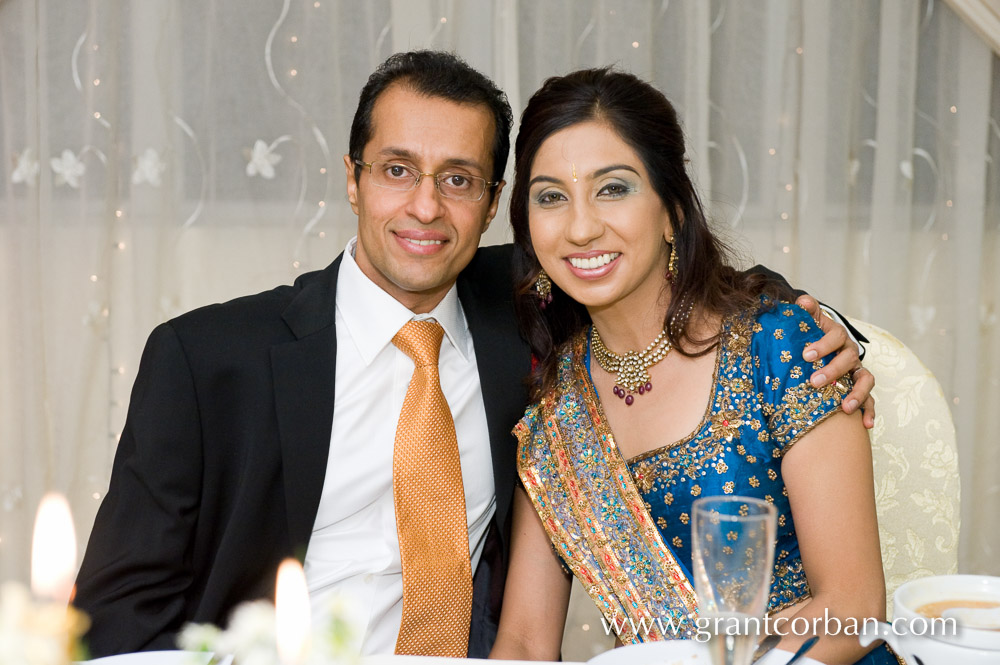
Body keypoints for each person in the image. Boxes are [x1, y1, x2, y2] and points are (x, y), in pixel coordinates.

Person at [73, 51, 874, 659]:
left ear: (492, 204)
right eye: (396, 171)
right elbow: (120, 615)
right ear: (351, 179)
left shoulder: (522, 326)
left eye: (458, 179)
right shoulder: (208, 359)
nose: (426, 206)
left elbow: (677, 277)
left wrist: (825, 324)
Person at [489, 68, 896, 664]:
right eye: (551, 197)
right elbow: (524, 642)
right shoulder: (555, 415)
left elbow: (853, 607)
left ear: (672, 209)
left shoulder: (782, 349)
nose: (581, 227)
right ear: (527, 226)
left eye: (614, 188)